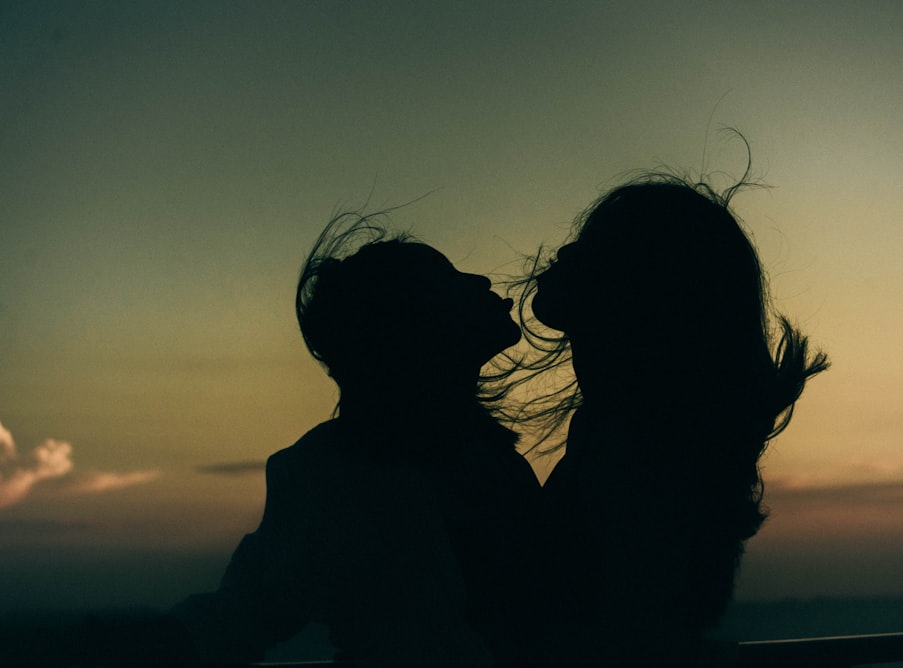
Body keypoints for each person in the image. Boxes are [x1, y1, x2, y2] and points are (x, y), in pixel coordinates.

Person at [30, 212, 540, 668]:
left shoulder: (489, 455)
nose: (481, 279)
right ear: (410, 328)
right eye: (447, 280)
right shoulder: (333, 474)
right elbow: (236, 620)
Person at [518, 172, 829, 667]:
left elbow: (626, 625)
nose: (565, 253)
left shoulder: (635, 443)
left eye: (595, 246)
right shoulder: (633, 428)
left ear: (643, 283)